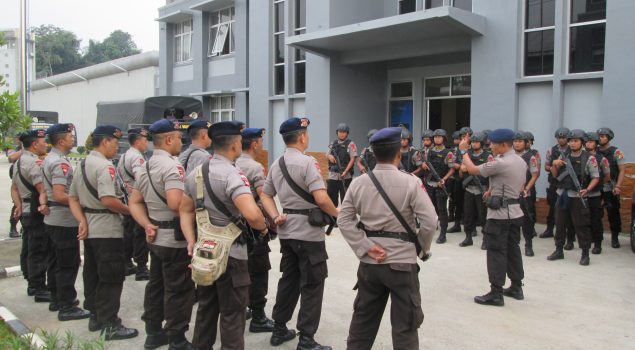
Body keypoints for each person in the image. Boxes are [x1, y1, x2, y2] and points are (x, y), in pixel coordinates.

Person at [337, 127, 436, 349]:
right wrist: (421, 249)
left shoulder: (358, 183)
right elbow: (430, 221)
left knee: (363, 323)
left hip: (371, 264)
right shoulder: (411, 182)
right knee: (405, 328)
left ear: (372, 154)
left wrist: (365, 246)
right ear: (399, 154)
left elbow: (343, 220)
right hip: (402, 264)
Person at [181, 121, 268, 350]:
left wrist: (191, 240)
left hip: (205, 251)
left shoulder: (196, 174)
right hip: (232, 254)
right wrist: (263, 227)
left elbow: (184, 209)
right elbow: (253, 215)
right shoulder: (233, 175)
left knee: (206, 309)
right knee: (232, 314)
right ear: (235, 145)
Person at [261, 117, 339, 350]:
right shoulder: (309, 163)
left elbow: (265, 194)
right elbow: (321, 198)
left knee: (289, 281)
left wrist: (275, 216)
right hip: (309, 233)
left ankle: (279, 328)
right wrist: (337, 213)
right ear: (302, 136)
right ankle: (306, 339)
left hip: (287, 231)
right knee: (313, 285)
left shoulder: (276, 164)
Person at [128, 119, 195, 349]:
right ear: (168, 139)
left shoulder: (145, 166)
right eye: (178, 138)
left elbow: (134, 202)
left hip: (156, 236)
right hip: (174, 239)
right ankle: (176, 339)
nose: (180, 142)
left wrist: (146, 224)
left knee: (156, 285)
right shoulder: (172, 166)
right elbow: (176, 204)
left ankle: (153, 332)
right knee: (178, 289)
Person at [68, 125, 138, 340]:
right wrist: (131, 211)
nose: (116, 149)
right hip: (107, 229)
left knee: (93, 274)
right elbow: (108, 200)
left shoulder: (82, 163)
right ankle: (110, 324)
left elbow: (72, 197)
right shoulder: (104, 167)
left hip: (91, 228)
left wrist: (82, 221)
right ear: (106, 142)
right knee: (111, 277)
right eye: (115, 144)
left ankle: (96, 316)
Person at [459, 128, 527, 306]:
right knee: (513, 250)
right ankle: (516, 286)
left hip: (499, 215)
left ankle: (496, 292)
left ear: (504, 145)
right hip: (515, 211)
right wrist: (492, 189)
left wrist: (463, 151)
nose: (491, 147)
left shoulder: (501, 163)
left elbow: (473, 170)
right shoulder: (520, 161)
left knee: (496, 251)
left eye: (493, 144)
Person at [42, 123, 91, 321]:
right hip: (63, 220)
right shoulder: (60, 163)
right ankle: (67, 305)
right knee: (67, 264)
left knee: (55, 262)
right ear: (61, 141)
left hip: (54, 219)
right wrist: (79, 203)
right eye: (70, 136)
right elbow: (60, 194)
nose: (73, 139)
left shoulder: (50, 158)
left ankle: (56, 298)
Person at [236, 127, 277, 333]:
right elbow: (263, 197)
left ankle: (242, 309)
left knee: (240, 269)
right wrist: (272, 223)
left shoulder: (231, 163)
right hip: (253, 228)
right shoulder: (255, 168)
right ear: (254, 144)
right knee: (259, 271)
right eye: (261, 140)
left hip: (233, 228)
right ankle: (259, 317)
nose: (262, 144)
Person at [547, 129, 599, 266]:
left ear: (582, 142)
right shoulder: (563, 155)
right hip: (562, 194)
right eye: (570, 141)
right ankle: (559, 250)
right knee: (559, 224)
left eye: (576, 141)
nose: (572, 143)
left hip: (577, 196)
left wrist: (587, 189)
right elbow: (554, 174)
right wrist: (554, 164)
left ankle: (585, 253)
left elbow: (596, 177)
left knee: (581, 225)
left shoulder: (589, 158)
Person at [11, 129, 52, 301]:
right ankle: (38, 287)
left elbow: (13, 188)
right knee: (38, 249)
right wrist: (43, 204)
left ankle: (30, 281)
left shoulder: (20, 162)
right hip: (35, 211)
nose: (46, 144)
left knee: (28, 247)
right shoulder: (34, 164)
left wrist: (19, 206)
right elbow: (41, 189)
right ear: (34, 144)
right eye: (43, 141)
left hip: (26, 210)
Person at [117, 127, 150, 280]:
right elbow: (141, 178)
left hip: (127, 200)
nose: (147, 143)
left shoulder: (124, 155)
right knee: (140, 235)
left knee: (129, 234)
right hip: (138, 202)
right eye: (145, 140)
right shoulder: (137, 158)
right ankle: (142, 268)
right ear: (137, 141)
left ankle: (126, 263)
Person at [459, 132, 493, 248]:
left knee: (483, 216)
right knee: (468, 215)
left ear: (482, 143)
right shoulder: (467, 154)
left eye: (477, 142)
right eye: (472, 142)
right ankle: (468, 238)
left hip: (482, 189)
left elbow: (491, 173)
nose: (474, 144)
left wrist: (489, 190)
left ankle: (486, 240)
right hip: (469, 189)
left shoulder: (488, 156)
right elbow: (461, 171)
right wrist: (462, 168)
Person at [422, 129, 455, 244]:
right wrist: (424, 165)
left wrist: (444, 179)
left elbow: (452, 169)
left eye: (439, 137)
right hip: (429, 183)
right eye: (435, 137)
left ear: (444, 138)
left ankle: (443, 234)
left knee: (442, 209)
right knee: (431, 208)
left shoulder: (448, 153)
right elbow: (423, 163)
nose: (437, 139)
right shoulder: (429, 152)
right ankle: (431, 228)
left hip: (441, 184)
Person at [596, 127, 627, 249]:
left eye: (603, 136)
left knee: (613, 212)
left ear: (608, 138)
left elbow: (622, 170)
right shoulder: (594, 151)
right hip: (596, 187)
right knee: (595, 212)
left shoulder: (616, 152)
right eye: (599, 136)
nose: (600, 138)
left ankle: (615, 237)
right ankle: (596, 235)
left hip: (611, 187)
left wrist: (618, 186)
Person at [512, 131, 540, 257]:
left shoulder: (530, 157)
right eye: (515, 141)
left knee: (526, 220)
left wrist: (527, 189)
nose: (517, 144)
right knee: (512, 220)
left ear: (526, 143)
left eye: (520, 141)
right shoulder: (509, 155)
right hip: (511, 192)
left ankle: (528, 244)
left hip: (524, 193)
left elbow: (535, 175)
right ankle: (514, 243)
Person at [585, 131, 611, 254]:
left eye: (590, 142)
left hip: (595, 193)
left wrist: (597, 186)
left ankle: (597, 244)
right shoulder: (581, 156)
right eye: (586, 141)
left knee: (596, 219)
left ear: (596, 144)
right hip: (581, 193)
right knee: (583, 219)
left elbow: (607, 176)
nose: (588, 144)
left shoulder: (602, 159)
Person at [541, 127, 570, 238]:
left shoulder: (572, 150)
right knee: (552, 207)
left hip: (567, 183)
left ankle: (567, 232)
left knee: (567, 208)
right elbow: (546, 166)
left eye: (563, 137)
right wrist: (554, 165)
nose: (561, 140)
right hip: (554, 182)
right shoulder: (552, 150)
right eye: (559, 137)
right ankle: (549, 229)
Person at [326, 123, 357, 206]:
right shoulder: (333, 143)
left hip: (345, 176)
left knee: (346, 200)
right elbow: (326, 154)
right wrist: (329, 156)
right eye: (340, 132)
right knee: (331, 198)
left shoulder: (351, 144)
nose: (342, 134)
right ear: (337, 132)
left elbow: (353, 159)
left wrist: (346, 171)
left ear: (347, 133)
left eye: (344, 132)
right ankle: (333, 217)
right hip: (333, 175)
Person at [448, 127, 472, 233]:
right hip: (458, 179)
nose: (465, 138)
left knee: (470, 205)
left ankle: (471, 228)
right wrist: (457, 165)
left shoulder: (474, 148)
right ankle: (457, 224)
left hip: (471, 179)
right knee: (457, 202)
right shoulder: (456, 149)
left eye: (467, 136)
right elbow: (450, 162)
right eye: (462, 136)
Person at [8, 139, 22, 238]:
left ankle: (24, 227)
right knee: (18, 204)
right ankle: (13, 227)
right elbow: (11, 158)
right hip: (19, 178)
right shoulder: (20, 150)